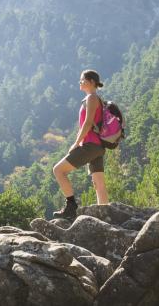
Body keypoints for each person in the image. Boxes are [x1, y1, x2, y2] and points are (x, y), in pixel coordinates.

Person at [52, 69, 109, 219]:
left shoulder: (91, 98)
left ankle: (71, 206)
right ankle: (104, 215)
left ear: (91, 82)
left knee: (58, 170)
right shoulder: (97, 99)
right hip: (98, 147)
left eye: (82, 80)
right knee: (98, 183)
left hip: (90, 145)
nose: (80, 82)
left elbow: (88, 123)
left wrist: (76, 143)